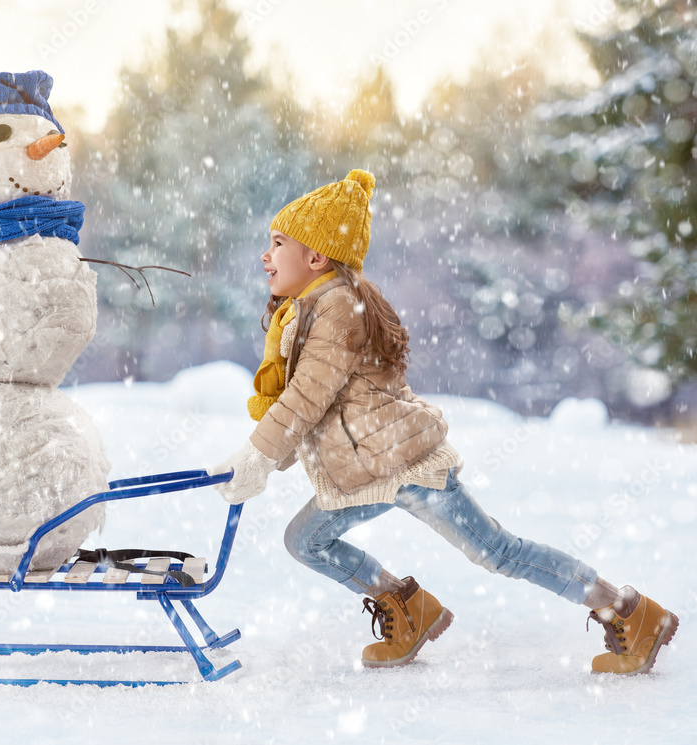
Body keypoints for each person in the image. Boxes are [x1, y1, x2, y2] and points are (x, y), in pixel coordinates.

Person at [208, 169, 678, 674]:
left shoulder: (338, 307)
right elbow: (309, 405)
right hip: (367, 469)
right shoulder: (311, 308)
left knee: (497, 551)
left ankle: (625, 608)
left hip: (404, 464)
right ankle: (406, 607)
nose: (266, 254)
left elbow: (305, 396)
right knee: (305, 540)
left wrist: (258, 455)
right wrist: (261, 456)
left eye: (278, 243)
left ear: (316, 256)